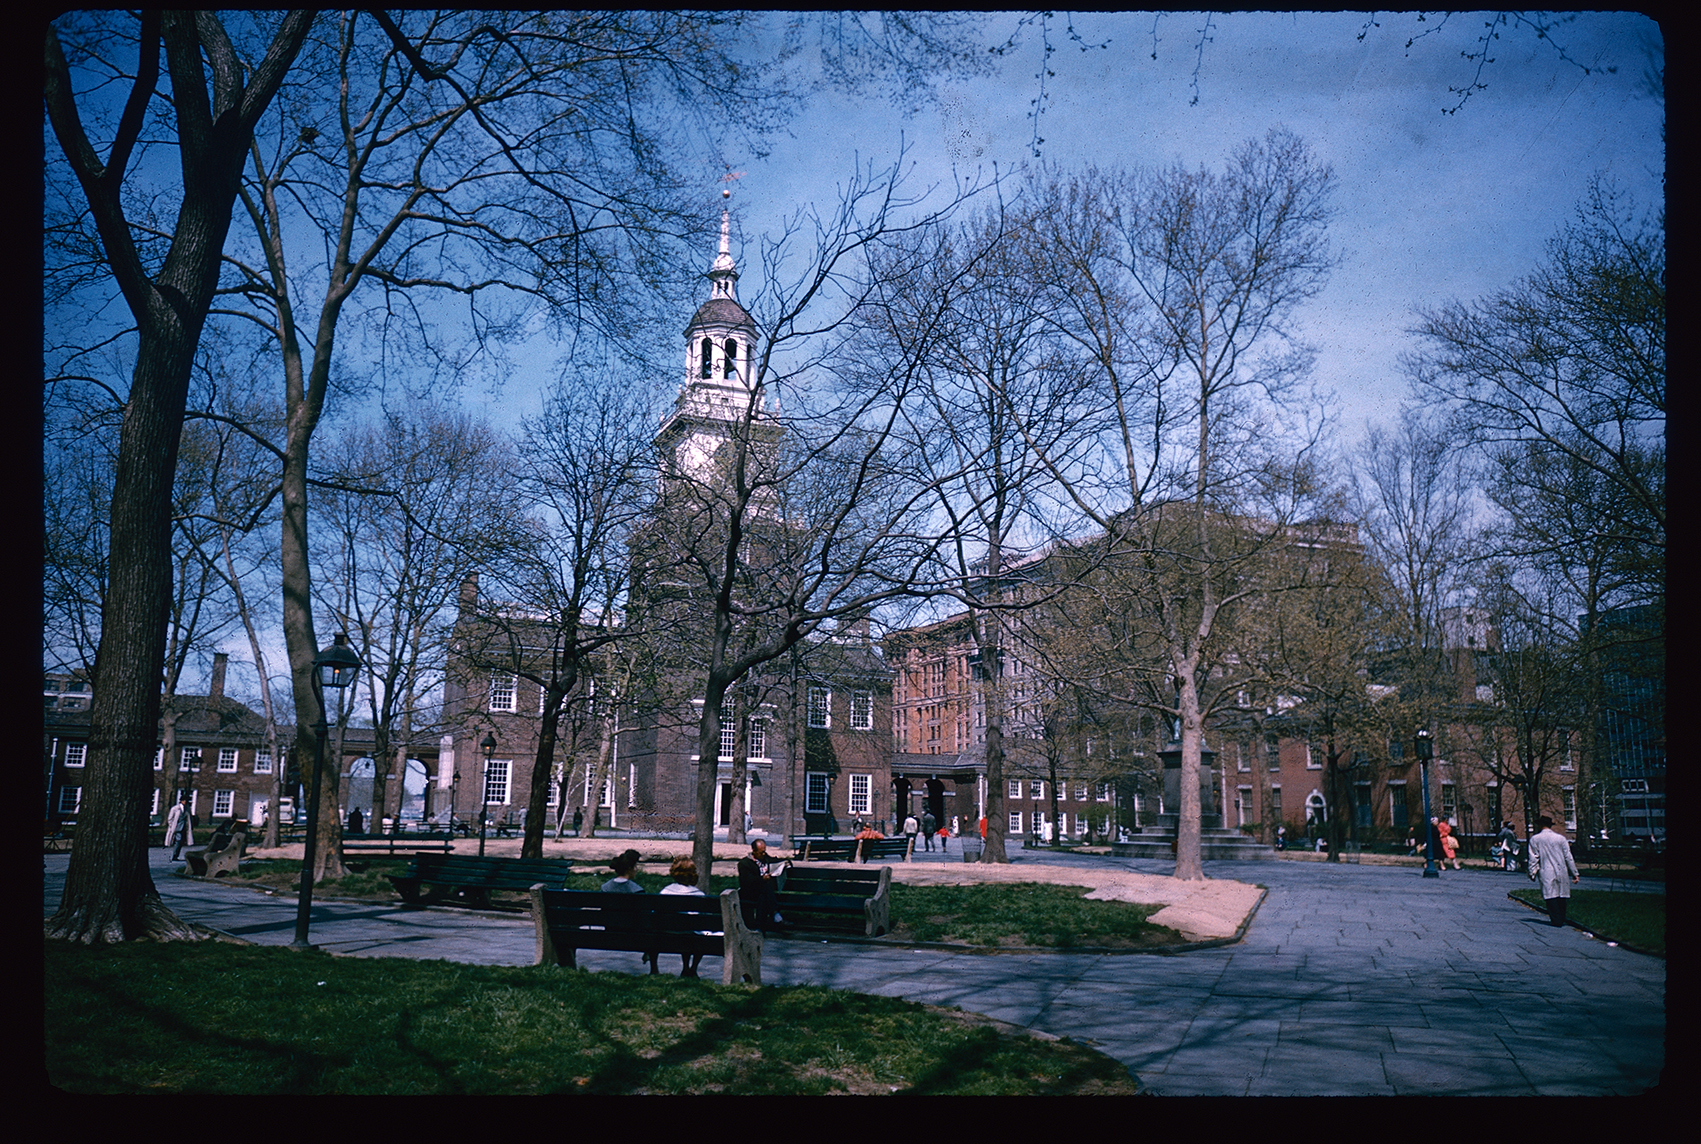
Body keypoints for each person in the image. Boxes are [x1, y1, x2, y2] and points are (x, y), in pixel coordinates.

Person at [659, 855, 716, 977]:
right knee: (698, 933)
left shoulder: (665, 892)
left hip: (667, 935)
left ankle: (656, 969)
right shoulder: (698, 895)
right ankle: (692, 968)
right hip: (691, 938)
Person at [1526, 815, 1580, 927]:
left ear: (1540, 825)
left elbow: (1533, 858)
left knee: (1550, 895)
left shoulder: (1535, 839)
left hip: (1546, 870)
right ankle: (1561, 917)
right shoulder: (1560, 838)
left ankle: (1556, 919)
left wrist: (1532, 872)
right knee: (1562, 894)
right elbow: (1568, 856)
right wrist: (1574, 873)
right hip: (1561, 870)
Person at [737, 839, 786, 932]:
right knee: (765, 886)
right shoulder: (744, 863)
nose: (763, 854)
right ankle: (775, 913)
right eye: (761, 852)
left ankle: (759, 927)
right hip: (750, 892)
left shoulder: (765, 858)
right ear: (754, 851)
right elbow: (746, 881)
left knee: (763, 896)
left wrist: (785, 862)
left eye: (764, 851)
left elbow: (775, 861)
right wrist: (762, 879)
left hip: (762, 893)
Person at [166, 794, 193, 860]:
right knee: (178, 840)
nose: (185, 802)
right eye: (183, 800)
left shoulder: (187, 809)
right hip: (177, 827)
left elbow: (188, 818)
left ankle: (176, 855)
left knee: (181, 842)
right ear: (181, 801)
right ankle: (174, 855)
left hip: (184, 827)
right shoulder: (175, 808)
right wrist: (172, 826)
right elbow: (170, 818)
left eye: (186, 800)